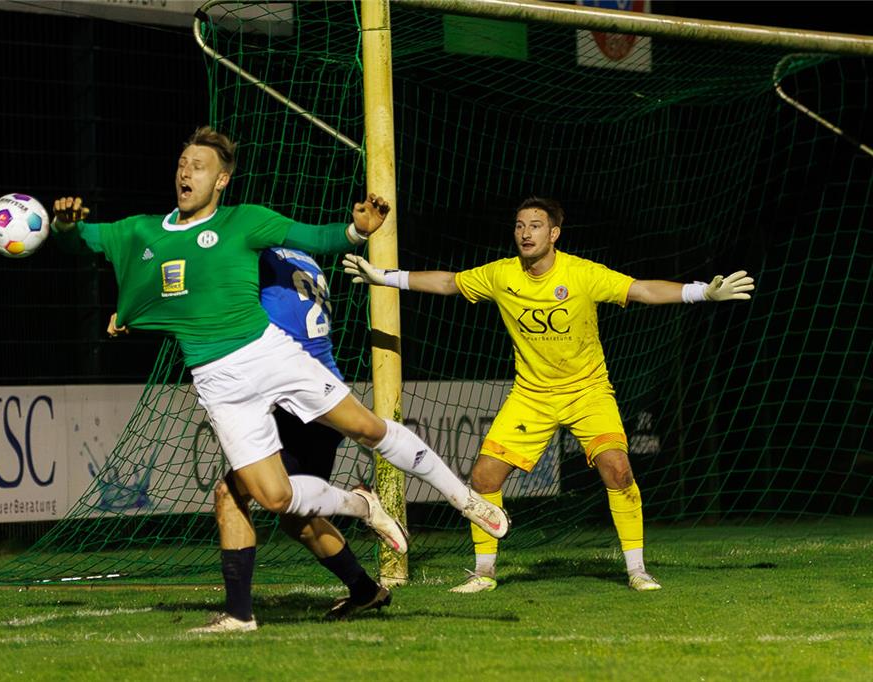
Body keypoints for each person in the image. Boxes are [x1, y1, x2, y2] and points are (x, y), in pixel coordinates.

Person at [52, 126, 509, 633]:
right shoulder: (140, 231)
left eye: (198, 166)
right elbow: (82, 245)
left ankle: (463, 499)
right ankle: (350, 512)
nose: (186, 171)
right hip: (217, 382)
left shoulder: (245, 222)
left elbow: (316, 237)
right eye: (182, 163)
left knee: (367, 428)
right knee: (272, 498)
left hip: (269, 354)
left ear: (222, 180)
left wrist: (357, 230)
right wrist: (65, 227)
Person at [343, 196, 754, 593]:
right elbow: (450, 283)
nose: (525, 233)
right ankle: (483, 572)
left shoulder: (581, 274)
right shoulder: (502, 274)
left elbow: (641, 290)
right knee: (485, 476)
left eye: (535, 226)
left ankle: (638, 570)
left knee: (618, 470)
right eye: (520, 226)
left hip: (588, 391)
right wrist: (385, 277)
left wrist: (702, 292)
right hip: (532, 395)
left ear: (554, 233)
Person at [109, 246, 391, 622]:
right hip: (321, 401)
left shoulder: (249, 258)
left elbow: (200, 300)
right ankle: (365, 590)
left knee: (231, 494)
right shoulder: (300, 259)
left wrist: (138, 313)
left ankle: (240, 615)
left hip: (291, 403)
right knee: (297, 516)